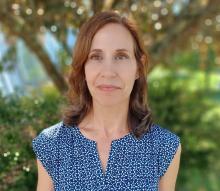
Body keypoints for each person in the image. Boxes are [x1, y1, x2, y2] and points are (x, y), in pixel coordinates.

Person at [32, 11, 181, 191]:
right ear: (83, 67)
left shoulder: (164, 147)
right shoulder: (52, 144)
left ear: (138, 68)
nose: (108, 72)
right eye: (96, 56)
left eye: (120, 56)